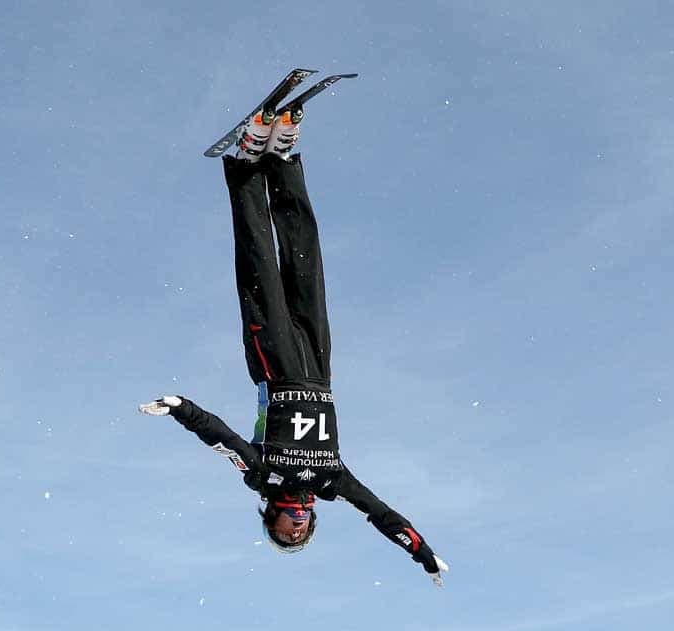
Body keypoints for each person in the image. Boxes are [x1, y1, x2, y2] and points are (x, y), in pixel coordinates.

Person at [141, 104, 446, 586]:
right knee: (307, 265)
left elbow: (223, 438)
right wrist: (422, 551)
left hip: (276, 369)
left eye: (286, 534)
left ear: (272, 519)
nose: (296, 528)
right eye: (300, 536)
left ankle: (245, 167)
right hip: (319, 370)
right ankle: (282, 164)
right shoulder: (331, 484)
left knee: (260, 264)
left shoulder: (262, 477)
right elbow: (381, 514)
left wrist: (182, 407)